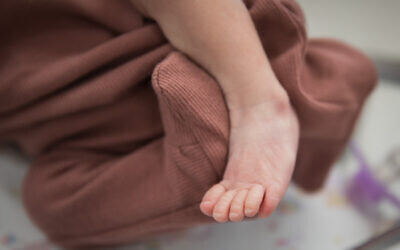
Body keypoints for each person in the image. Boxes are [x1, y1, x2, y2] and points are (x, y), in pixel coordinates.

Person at [0, 0, 376, 248]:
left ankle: (266, 101)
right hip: (71, 125)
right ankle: (204, 152)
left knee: (56, 206)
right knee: (51, 205)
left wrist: (255, 96)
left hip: (180, 44)